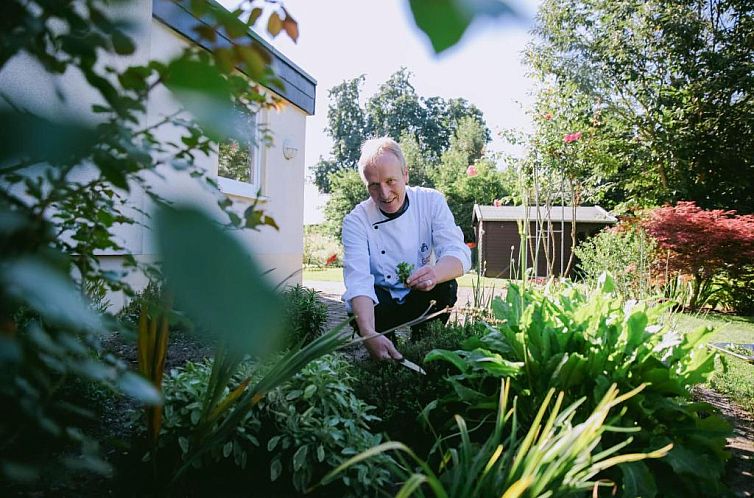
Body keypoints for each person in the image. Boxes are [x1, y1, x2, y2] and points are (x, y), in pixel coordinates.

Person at [342, 137, 471, 361]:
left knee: (445, 285)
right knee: (359, 308)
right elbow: (358, 281)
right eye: (373, 185)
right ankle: (382, 347)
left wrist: (434, 273)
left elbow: (457, 252)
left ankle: (424, 345)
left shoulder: (431, 201)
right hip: (382, 304)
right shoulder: (356, 220)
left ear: (405, 174)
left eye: (390, 181)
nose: (384, 194)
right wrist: (368, 333)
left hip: (421, 296)